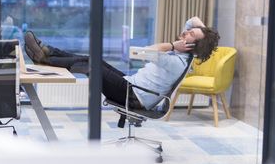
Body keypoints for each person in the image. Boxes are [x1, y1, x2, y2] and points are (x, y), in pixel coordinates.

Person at [24, 17, 220, 110]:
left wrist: (171, 44)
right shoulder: (185, 55)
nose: (186, 31)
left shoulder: (176, 61)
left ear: (191, 44)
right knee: (95, 60)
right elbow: (192, 20)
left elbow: (145, 52)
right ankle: (47, 52)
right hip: (131, 84)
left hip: (134, 96)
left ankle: (44, 57)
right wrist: (204, 34)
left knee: (92, 64)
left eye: (190, 34)